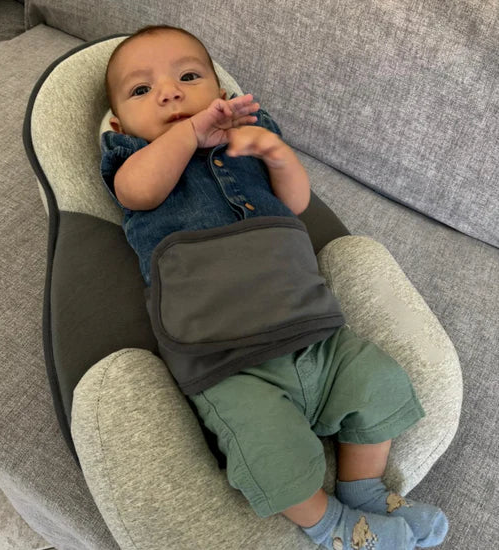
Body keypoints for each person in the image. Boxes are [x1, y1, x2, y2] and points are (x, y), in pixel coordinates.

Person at [100, 24, 449, 550]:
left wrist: (277, 154)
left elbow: (296, 203)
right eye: (142, 89)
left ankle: (365, 491)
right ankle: (331, 526)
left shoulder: (248, 133)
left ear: (221, 94)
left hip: (312, 329)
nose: (169, 92)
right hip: (227, 357)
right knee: (267, 452)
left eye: (188, 77)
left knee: (379, 381)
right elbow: (138, 192)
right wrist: (188, 134)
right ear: (117, 123)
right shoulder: (131, 155)